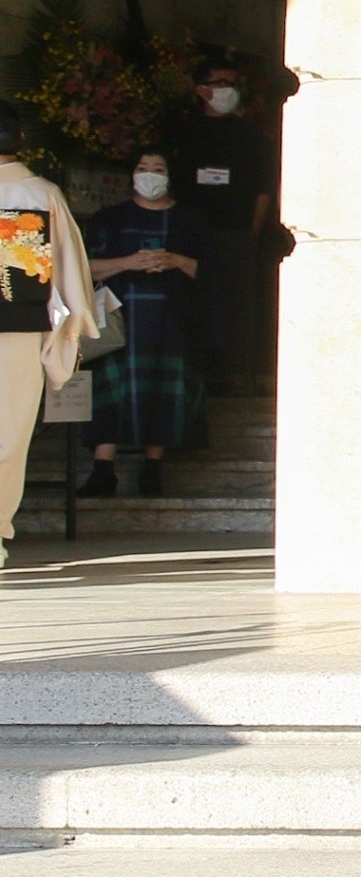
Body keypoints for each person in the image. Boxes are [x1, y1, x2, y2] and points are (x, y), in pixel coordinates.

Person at [82, 148, 213, 497]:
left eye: (159, 167)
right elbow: (86, 268)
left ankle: (153, 467)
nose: (150, 174)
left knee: (163, 394)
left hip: (173, 320)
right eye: (143, 167)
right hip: (119, 321)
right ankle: (102, 469)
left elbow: (212, 273)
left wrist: (175, 260)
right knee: (111, 392)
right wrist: (128, 262)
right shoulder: (109, 218)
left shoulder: (191, 219)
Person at [0, 103, 95, 571]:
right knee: (7, 433)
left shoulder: (38, 194)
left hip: (14, 326)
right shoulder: (40, 195)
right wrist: (71, 325)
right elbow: (69, 273)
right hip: (15, 331)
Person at [174, 56, 279, 391]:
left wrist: (251, 232)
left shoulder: (253, 136)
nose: (227, 91)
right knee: (191, 301)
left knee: (238, 304)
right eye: (220, 83)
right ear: (201, 89)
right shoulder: (184, 133)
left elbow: (264, 188)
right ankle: (195, 376)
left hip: (236, 232)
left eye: (232, 85)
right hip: (188, 234)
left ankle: (238, 378)